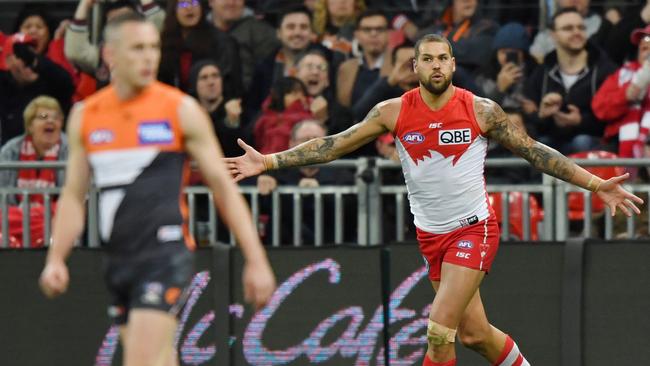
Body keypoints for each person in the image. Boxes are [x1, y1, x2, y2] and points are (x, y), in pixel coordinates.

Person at [226, 33, 643, 366]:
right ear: (415, 66)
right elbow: (335, 144)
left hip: (474, 230)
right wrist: (269, 161)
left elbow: (536, 152)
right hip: (432, 238)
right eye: (427, 59)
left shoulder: (480, 110)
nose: (436, 65)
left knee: (438, 332)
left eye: (443, 58)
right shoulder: (393, 111)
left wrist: (594, 183)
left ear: (453, 65)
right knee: (476, 335)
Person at [38, 13, 275, 366]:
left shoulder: (180, 110)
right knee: (161, 358)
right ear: (110, 54)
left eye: (153, 47)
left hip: (164, 255)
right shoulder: (85, 115)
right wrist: (56, 258)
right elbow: (74, 194)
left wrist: (256, 260)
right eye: (137, 48)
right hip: (118, 258)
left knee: (141, 360)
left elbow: (223, 188)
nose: (149, 57)